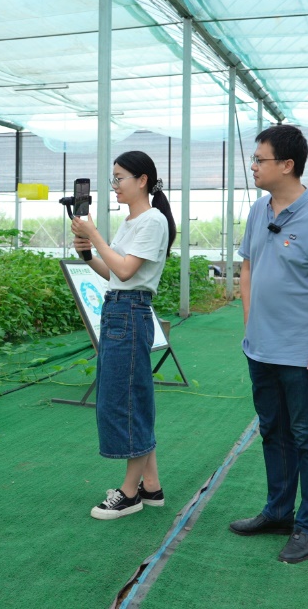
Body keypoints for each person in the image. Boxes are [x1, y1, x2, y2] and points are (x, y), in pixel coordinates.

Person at [230, 124, 308, 564]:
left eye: (260, 160)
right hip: (259, 349)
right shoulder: (258, 211)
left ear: (287, 164)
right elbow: (247, 268)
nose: (254, 166)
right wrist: (251, 324)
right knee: (273, 433)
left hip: (302, 355)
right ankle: (278, 513)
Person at [70, 151, 176, 520]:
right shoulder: (132, 222)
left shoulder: (152, 220)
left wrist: (94, 235)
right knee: (131, 397)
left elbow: (128, 271)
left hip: (129, 312)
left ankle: (129, 493)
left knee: (124, 401)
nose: (114, 186)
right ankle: (152, 486)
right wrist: (87, 254)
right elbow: (113, 272)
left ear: (142, 180)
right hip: (118, 308)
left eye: (119, 178)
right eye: (113, 179)